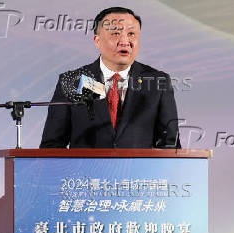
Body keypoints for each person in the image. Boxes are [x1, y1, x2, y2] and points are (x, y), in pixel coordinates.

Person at [40, 7, 181, 148]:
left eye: (131, 34)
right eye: (115, 34)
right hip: (84, 170)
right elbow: (52, 144)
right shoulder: (73, 81)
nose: (125, 41)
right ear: (97, 41)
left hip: (138, 170)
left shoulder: (157, 82)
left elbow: (170, 145)